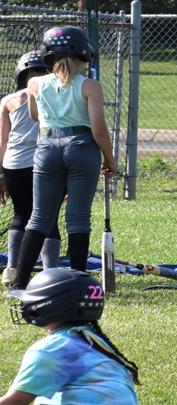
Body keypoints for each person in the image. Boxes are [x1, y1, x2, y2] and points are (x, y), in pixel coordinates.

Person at [8, 26, 116, 294]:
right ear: (84, 55)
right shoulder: (89, 85)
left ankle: (20, 283)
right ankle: (78, 282)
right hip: (81, 148)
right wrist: (110, 159)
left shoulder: (34, 84)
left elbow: (35, 117)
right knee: (78, 217)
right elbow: (99, 128)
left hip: (46, 147)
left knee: (39, 217)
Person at [0, 267, 140, 405]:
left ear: (49, 305)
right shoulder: (88, 336)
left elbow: (14, 402)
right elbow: (38, 402)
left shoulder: (52, 348)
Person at [0, 50, 56, 288]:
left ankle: (12, 268)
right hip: (44, 162)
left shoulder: (8, 101)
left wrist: (1, 174)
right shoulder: (55, 97)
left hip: (14, 165)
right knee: (48, 218)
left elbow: (2, 141)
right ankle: (51, 273)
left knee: (21, 214)